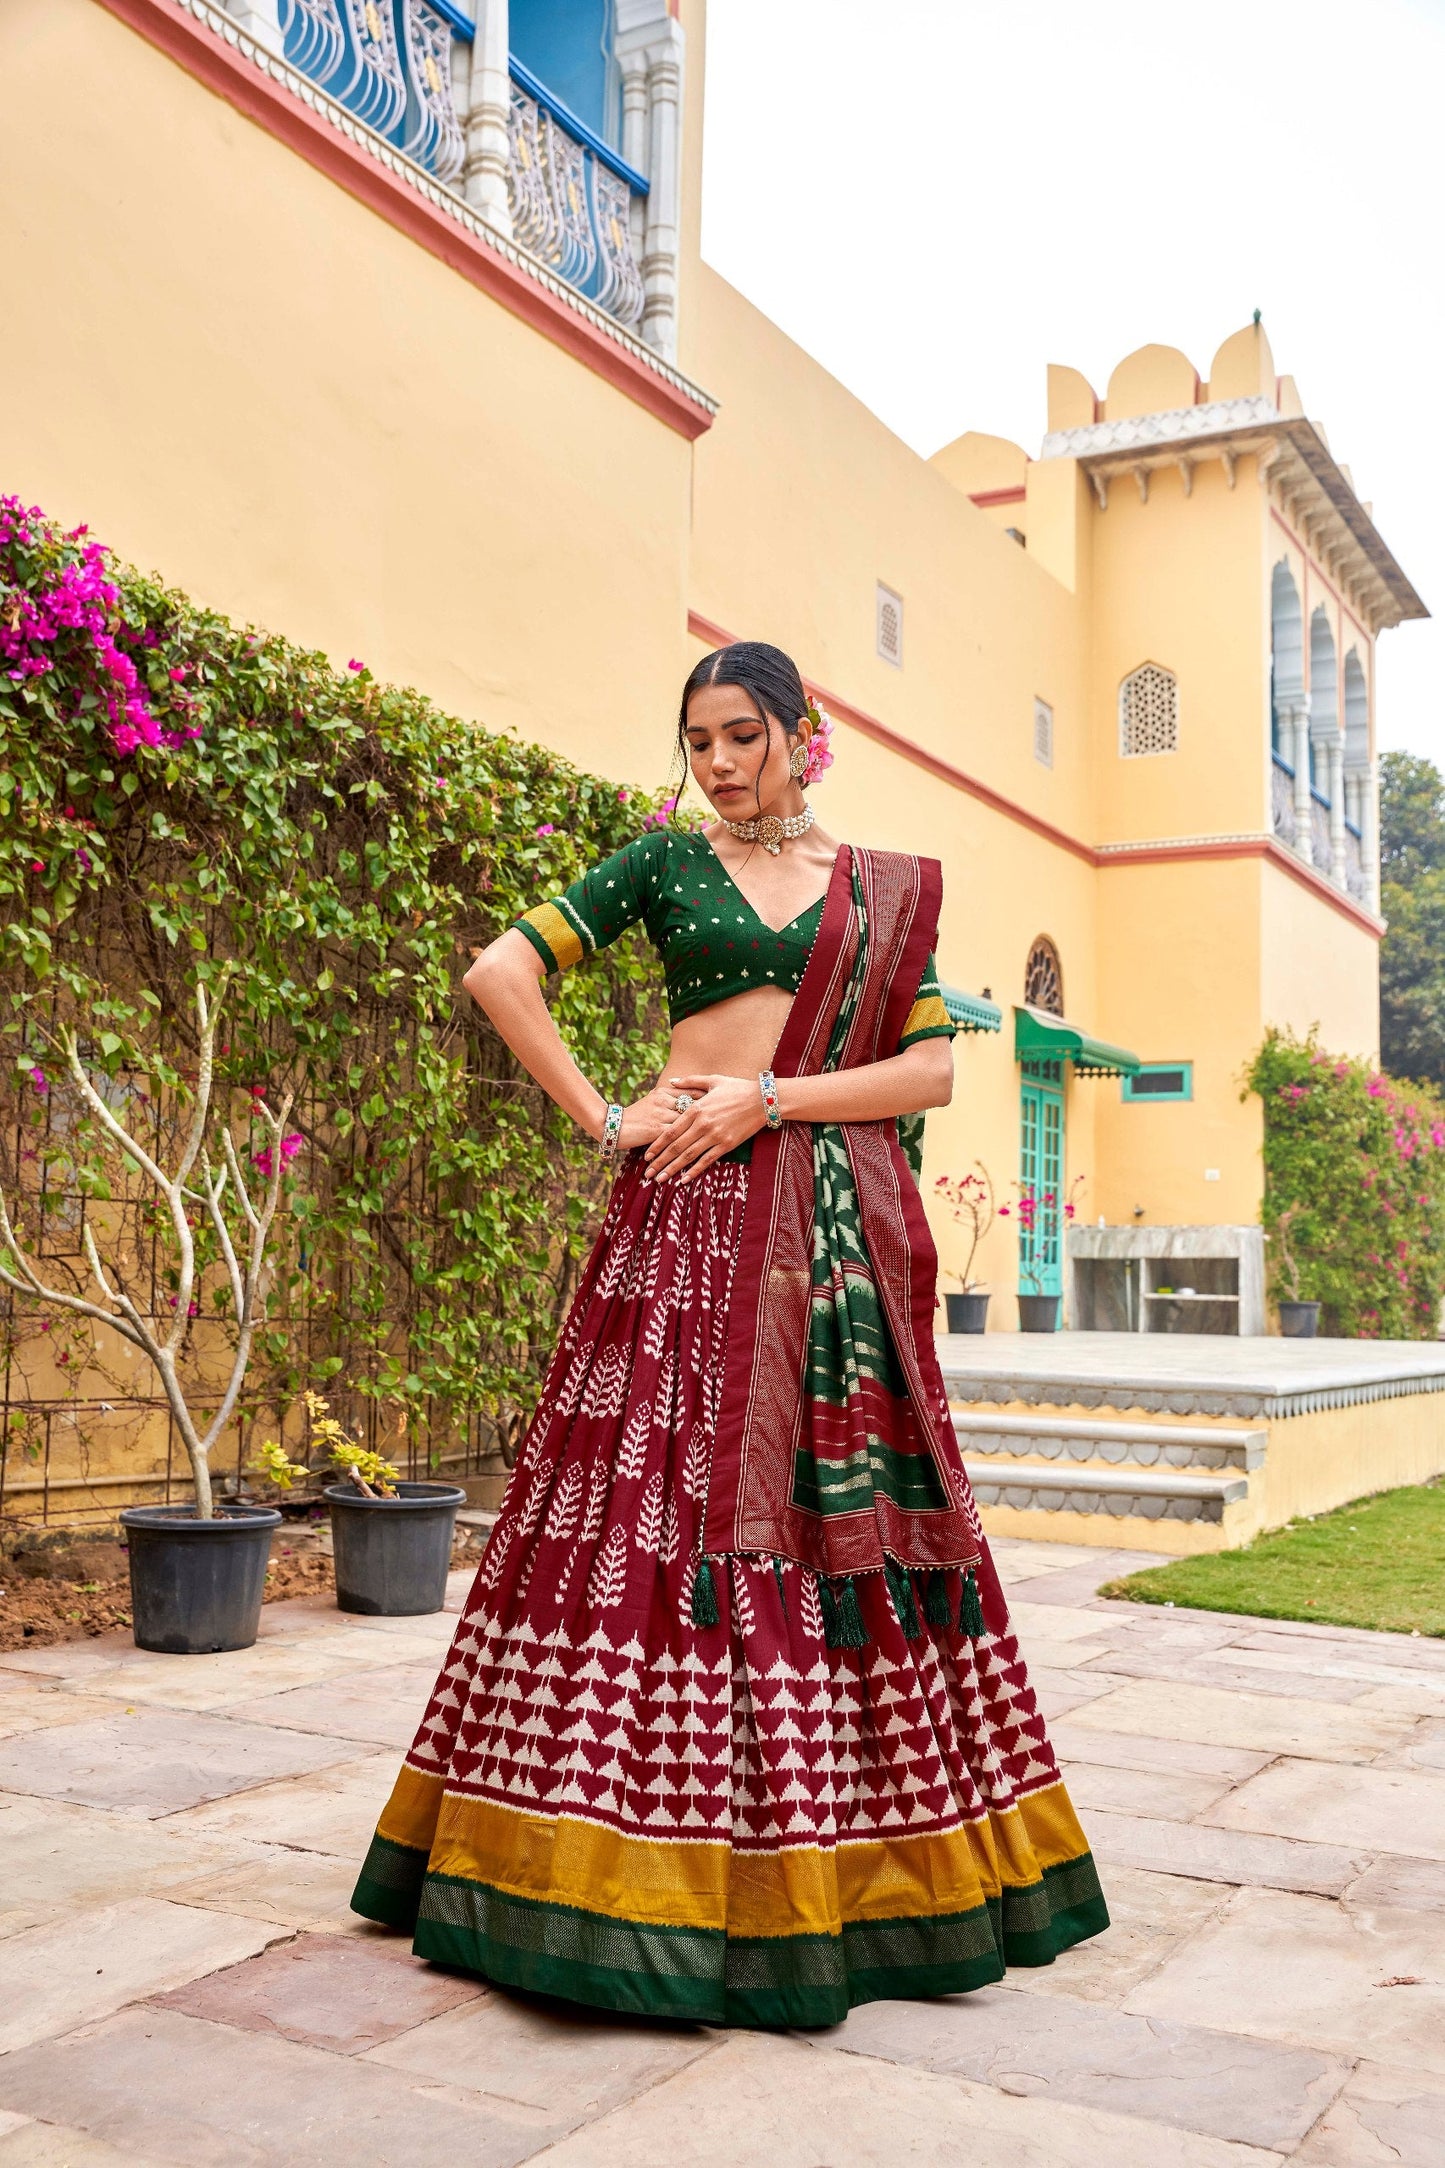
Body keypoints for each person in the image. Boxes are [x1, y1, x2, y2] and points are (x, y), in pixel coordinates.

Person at [352, 640, 1108, 2025]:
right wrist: (602, 1116)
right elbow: (498, 975)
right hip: (686, 1232)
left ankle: (848, 1874)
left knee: (828, 1519)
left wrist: (767, 1098)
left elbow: (931, 1068)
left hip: (825, 1240)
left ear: (802, 733)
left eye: (742, 735)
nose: (717, 763)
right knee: (657, 1511)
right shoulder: (659, 867)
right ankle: (599, 1864)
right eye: (697, 739)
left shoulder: (880, 893)